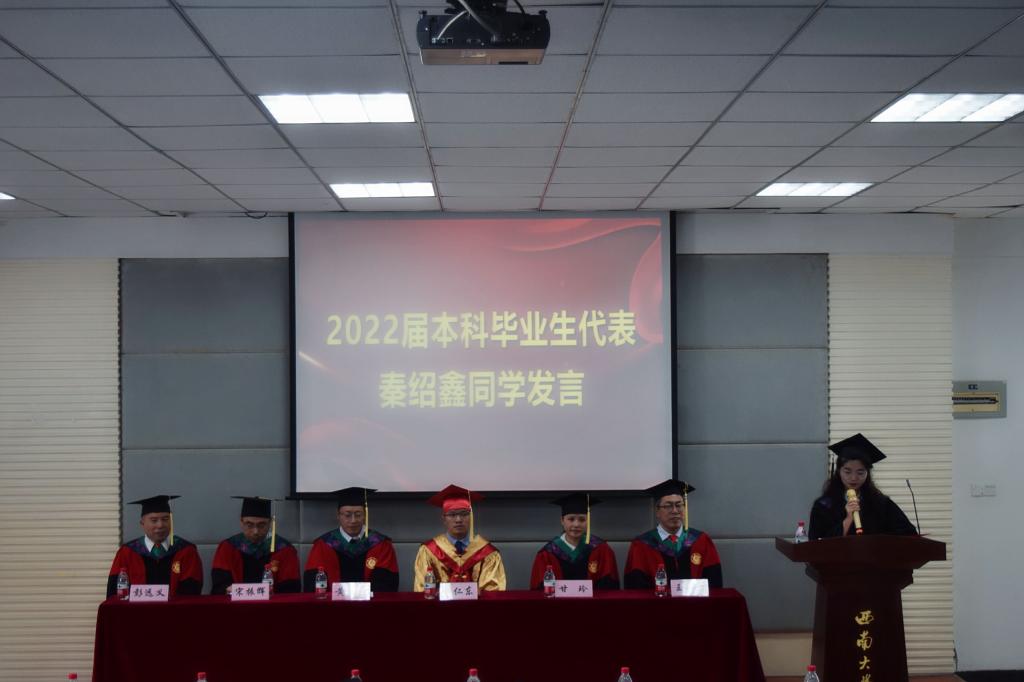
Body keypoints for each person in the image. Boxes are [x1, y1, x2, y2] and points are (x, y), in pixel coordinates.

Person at [809, 433, 918, 539]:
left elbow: (908, 534)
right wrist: (848, 519)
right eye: (847, 472)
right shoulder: (824, 505)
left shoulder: (881, 503)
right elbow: (816, 542)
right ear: (838, 471)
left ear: (867, 473)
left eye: (860, 472)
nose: (853, 478)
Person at [624, 479, 723, 589]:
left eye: (679, 505)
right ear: (657, 511)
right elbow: (635, 589)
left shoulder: (701, 541)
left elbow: (715, 585)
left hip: (695, 600)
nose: (675, 511)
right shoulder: (642, 545)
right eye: (668, 506)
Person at [303, 487, 399, 592]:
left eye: (358, 515)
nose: (353, 520)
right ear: (338, 516)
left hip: (371, 602)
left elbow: (387, 586)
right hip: (332, 603)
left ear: (365, 515)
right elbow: (312, 586)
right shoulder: (323, 545)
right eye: (347, 515)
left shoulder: (381, 544)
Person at [413, 484, 506, 592]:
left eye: (464, 514)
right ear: (444, 519)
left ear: (470, 517)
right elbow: (423, 591)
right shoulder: (428, 551)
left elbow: (492, 593)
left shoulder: (488, 553)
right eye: (452, 515)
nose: (458, 520)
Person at [106, 495, 203, 597]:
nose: (160, 525)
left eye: (165, 519)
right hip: (136, 608)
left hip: (175, 607)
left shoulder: (186, 551)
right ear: (142, 523)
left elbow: (192, 593)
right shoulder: (127, 553)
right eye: (154, 520)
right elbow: (114, 594)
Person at [210, 496, 300, 595]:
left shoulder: (284, 549)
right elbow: (219, 585)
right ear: (241, 522)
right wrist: (227, 589)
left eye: (261, 525)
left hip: (273, 604)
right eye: (249, 525)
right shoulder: (228, 547)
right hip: (236, 604)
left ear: (270, 523)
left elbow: (291, 590)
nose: (255, 531)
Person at [529, 493, 619, 590]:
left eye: (582, 520)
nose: (576, 524)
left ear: (588, 521)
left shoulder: (601, 549)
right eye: (571, 519)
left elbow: (609, 588)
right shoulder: (547, 553)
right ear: (562, 520)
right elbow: (540, 590)